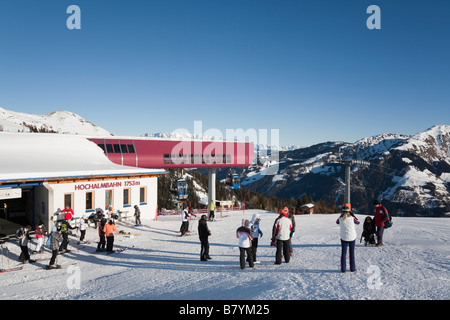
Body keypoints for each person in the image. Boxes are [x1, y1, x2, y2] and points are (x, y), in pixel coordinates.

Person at [336, 206, 360, 273]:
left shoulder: (340, 219)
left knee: (343, 253)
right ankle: (352, 268)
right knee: (351, 253)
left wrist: (341, 215)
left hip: (344, 238)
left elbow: (337, 222)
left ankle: (343, 269)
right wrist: (353, 215)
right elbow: (358, 222)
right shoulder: (352, 218)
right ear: (349, 212)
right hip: (352, 237)